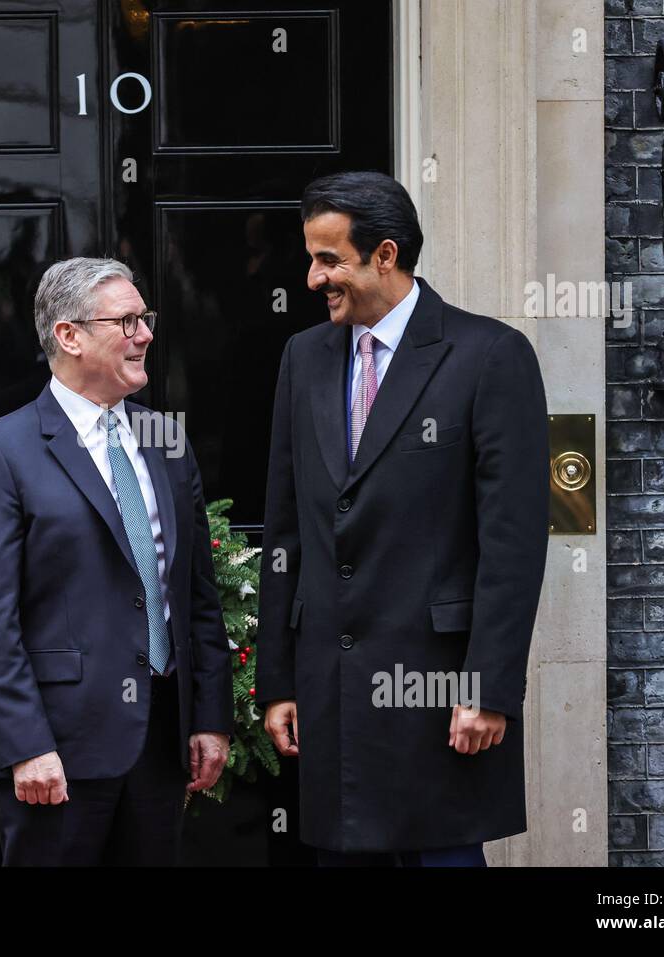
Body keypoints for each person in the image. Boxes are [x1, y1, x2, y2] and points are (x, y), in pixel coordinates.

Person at [257, 171, 549, 866]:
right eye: (311, 257)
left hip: (441, 698)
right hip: (332, 699)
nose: (312, 276)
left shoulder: (489, 356)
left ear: (384, 255)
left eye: (330, 259)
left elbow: (512, 542)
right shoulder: (303, 357)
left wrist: (490, 687)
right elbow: (285, 529)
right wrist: (278, 681)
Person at [0, 257, 232, 866]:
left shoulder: (168, 442)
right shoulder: (1, 451)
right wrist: (27, 744)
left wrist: (210, 718)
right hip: (58, 748)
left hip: (160, 747)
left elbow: (195, 595)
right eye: (127, 320)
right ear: (69, 335)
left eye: (146, 318)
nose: (146, 335)